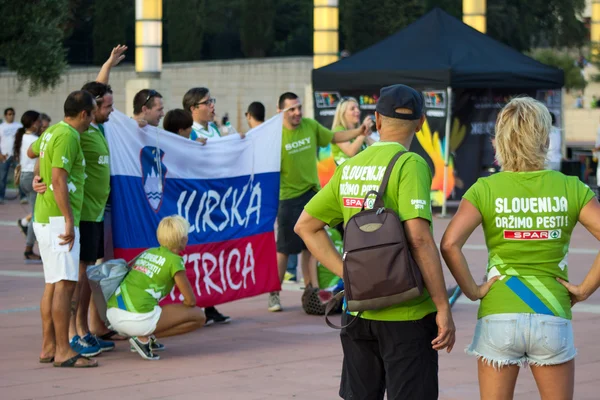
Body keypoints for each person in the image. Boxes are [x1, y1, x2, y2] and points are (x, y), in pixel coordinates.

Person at [294, 84, 455, 399]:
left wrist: (347, 272)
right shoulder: (411, 164)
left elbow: (306, 226)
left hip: (358, 310)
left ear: (378, 121)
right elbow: (419, 239)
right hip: (406, 312)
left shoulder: (352, 166)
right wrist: (442, 306)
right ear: (421, 122)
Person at [440, 97, 600, 400]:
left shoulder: (485, 189)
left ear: (500, 139)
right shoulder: (571, 187)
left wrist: (473, 291)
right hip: (551, 310)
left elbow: (449, 244)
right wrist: (584, 289)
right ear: (544, 138)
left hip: (499, 311)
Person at [268, 92, 371, 312]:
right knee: (284, 249)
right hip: (287, 197)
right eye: (291, 109)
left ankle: (311, 290)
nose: (297, 112)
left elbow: (334, 137)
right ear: (280, 112)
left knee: (311, 245)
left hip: (312, 192)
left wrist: (359, 131)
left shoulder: (310, 126)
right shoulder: (274, 135)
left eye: (298, 108)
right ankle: (274, 294)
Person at [28, 90, 97, 368]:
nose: (92, 121)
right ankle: (63, 351)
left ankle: (48, 347)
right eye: (92, 114)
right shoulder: (69, 136)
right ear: (84, 114)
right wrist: (69, 219)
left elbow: (33, 151)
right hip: (58, 218)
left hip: (44, 215)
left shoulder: (52, 130)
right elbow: (58, 179)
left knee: (53, 283)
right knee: (66, 285)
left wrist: (35, 173)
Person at [106, 215, 205, 361]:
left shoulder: (149, 252)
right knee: (198, 316)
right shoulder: (175, 261)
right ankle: (142, 338)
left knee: (156, 307)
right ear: (182, 238)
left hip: (112, 313)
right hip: (135, 319)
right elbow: (190, 301)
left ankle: (142, 337)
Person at [13, 110, 42, 262]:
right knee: (36, 215)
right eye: (39, 121)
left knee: (35, 212)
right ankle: (29, 248)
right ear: (33, 123)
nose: (41, 123)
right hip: (31, 176)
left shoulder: (23, 136)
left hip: (25, 176)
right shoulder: (34, 139)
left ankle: (29, 245)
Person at [330, 97, 375, 166]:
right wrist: (362, 132)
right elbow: (350, 152)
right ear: (343, 113)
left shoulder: (359, 131)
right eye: (352, 109)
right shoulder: (338, 130)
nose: (357, 111)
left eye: (357, 108)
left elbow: (375, 146)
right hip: (343, 175)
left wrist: (366, 130)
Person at [0, 107, 23, 204]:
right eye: (9, 114)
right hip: (5, 155)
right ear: (5, 115)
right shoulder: (1, 127)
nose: (11, 116)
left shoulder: (19, 126)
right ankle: (1, 196)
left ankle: (23, 197)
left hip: (17, 155)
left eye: (13, 114)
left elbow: (22, 140)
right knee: (2, 177)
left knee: (20, 176)